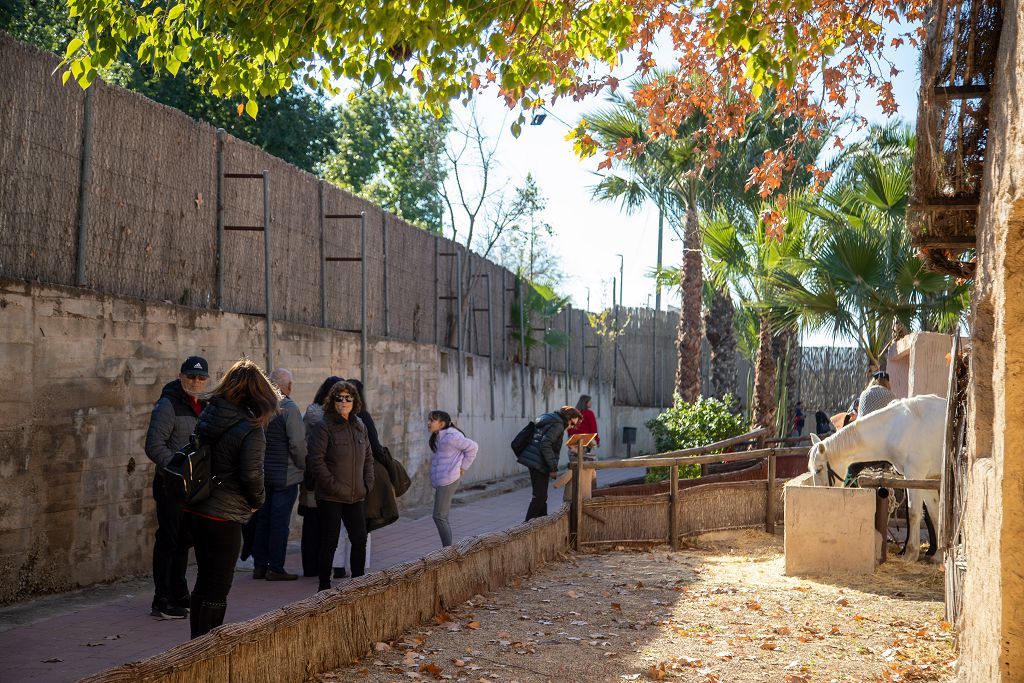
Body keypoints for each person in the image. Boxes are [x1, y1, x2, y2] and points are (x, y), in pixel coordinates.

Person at [182, 358, 280, 638]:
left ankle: (195, 646)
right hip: (224, 513)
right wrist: (258, 500)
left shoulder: (211, 413)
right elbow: (252, 474)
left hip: (198, 506)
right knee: (219, 586)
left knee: (204, 580)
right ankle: (206, 650)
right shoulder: (251, 426)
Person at [144, 355, 209, 619]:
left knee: (184, 541)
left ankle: (179, 592)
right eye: (191, 376)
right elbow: (154, 445)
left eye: (200, 377)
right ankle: (161, 599)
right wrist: (179, 468)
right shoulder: (168, 405)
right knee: (168, 540)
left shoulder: (205, 406)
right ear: (181, 376)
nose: (195, 382)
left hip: (192, 488)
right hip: (171, 484)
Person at [306, 380, 374, 591]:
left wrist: (367, 483)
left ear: (355, 401)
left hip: (356, 495)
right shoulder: (323, 426)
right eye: (339, 398)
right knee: (329, 541)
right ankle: (324, 586)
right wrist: (333, 486)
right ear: (332, 401)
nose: (344, 402)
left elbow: (369, 458)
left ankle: (358, 582)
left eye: (348, 398)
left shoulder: (360, 426)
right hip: (331, 496)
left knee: (359, 539)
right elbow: (315, 461)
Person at [251, 368, 306, 581]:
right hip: (285, 475)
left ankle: (259, 566)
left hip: (263, 474)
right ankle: (275, 567)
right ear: (289, 386)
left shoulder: (260, 406)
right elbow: (297, 445)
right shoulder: (289, 409)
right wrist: (303, 467)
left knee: (263, 519)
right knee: (279, 523)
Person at [298, 375, 342, 578]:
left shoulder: (312, 413)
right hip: (317, 475)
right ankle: (314, 566)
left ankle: (312, 567)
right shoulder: (319, 416)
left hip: (315, 474)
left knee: (314, 523)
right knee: (317, 523)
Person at [518, 406, 582, 521]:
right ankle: (525, 527)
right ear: (568, 418)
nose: (571, 427)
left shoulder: (552, 418)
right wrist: (553, 468)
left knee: (541, 495)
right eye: (572, 424)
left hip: (535, 460)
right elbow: (545, 444)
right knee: (540, 496)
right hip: (539, 462)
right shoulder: (558, 425)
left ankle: (543, 521)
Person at [427, 411, 478, 547]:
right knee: (441, 516)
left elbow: (473, 447)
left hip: (449, 479)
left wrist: (463, 468)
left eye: (432, 420)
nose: (429, 423)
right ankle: (447, 549)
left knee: (439, 516)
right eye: (429, 420)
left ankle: (448, 550)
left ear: (442, 423)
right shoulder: (439, 437)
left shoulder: (452, 436)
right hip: (442, 480)